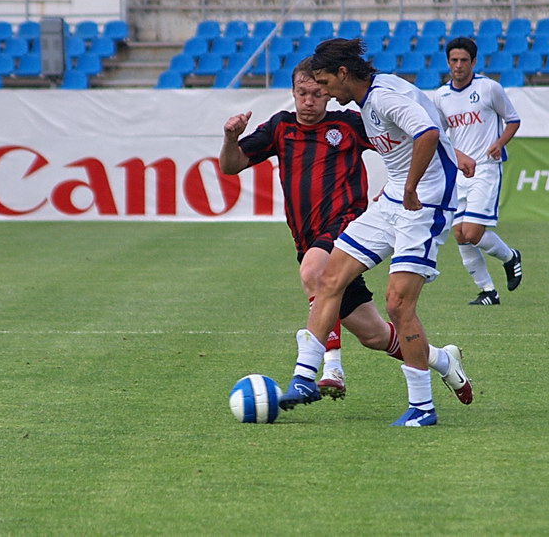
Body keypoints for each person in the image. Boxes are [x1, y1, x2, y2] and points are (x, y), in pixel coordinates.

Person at [219, 58, 472, 407]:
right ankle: (443, 360)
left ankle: (325, 369)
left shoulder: (350, 123)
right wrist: (231, 138)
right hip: (307, 238)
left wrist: (452, 153)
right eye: (302, 93)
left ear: (328, 92)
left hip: (345, 225)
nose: (309, 101)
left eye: (317, 93)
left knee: (315, 271)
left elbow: (405, 135)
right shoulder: (280, 127)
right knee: (375, 335)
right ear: (292, 93)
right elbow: (231, 166)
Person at [278, 40, 466, 427]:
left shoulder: (381, 98)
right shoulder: (372, 95)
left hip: (424, 204)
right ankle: (303, 378)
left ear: (344, 74)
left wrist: (412, 186)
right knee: (330, 276)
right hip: (393, 199)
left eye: (327, 82)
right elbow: (435, 120)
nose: (325, 92)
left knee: (398, 304)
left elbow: (428, 133)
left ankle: (422, 408)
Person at [433, 37, 523, 306]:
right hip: (460, 172)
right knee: (460, 234)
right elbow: (439, 134)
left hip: (485, 168)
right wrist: (455, 157)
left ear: (473, 62)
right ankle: (488, 291)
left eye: (463, 61)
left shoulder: (489, 88)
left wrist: (499, 143)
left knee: (472, 232)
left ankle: (510, 257)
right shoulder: (440, 96)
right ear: (448, 62)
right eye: (453, 61)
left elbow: (513, 119)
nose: (458, 66)